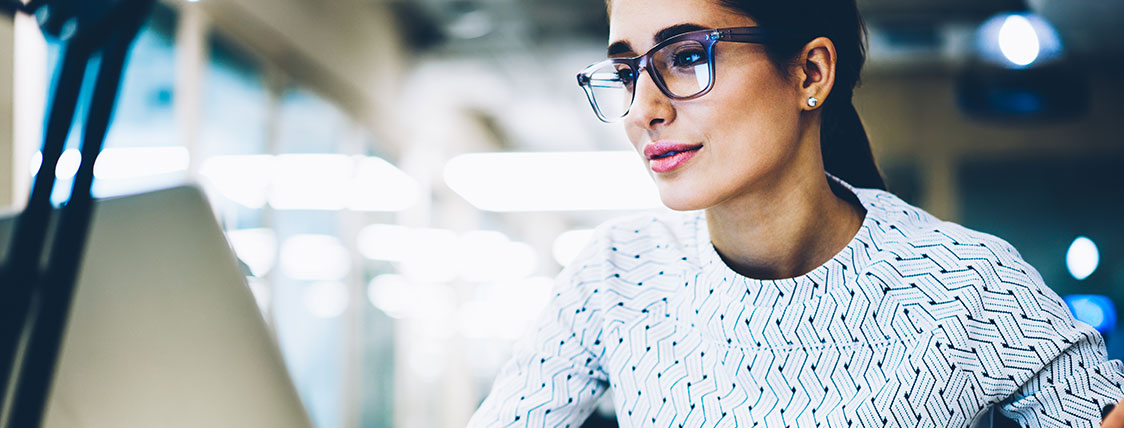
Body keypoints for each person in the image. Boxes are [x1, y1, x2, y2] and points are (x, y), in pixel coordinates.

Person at [466, 0, 1124, 426]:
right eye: (627, 71)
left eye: (687, 56)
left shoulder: (964, 282)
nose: (643, 109)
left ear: (810, 72)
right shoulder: (617, 276)